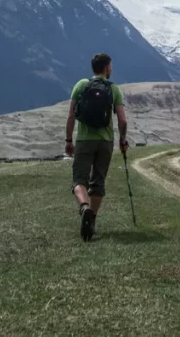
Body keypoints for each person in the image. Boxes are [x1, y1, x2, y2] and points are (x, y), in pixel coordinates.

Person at [65, 53, 129, 241]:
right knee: (98, 182)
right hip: (105, 141)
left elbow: (70, 116)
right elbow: (122, 120)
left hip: (84, 140)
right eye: (111, 66)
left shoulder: (81, 86)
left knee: (79, 180)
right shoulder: (114, 89)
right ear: (107, 67)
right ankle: (91, 219)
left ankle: (83, 206)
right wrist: (123, 140)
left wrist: (69, 140)